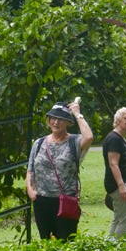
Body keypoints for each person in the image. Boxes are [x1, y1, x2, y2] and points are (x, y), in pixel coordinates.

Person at [26, 100, 94, 240]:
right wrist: (30, 189)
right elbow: (30, 169)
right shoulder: (38, 143)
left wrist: (77, 113)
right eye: (53, 118)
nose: (56, 122)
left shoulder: (74, 142)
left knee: (66, 242)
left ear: (68, 123)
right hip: (42, 201)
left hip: (65, 201)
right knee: (46, 241)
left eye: (61, 119)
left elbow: (89, 137)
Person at [103, 107, 126, 237]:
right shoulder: (114, 139)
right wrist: (121, 186)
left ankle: (109, 249)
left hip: (124, 183)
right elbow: (113, 164)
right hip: (120, 185)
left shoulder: (121, 138)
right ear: (118, 120)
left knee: (118, 219)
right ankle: (113, 249)